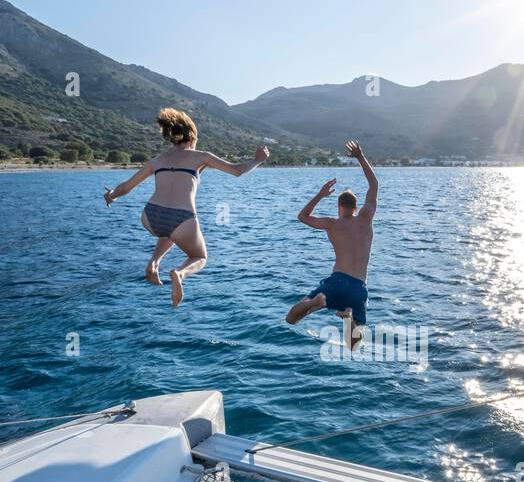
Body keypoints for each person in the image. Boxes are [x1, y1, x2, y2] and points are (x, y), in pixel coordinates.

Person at [104, 109, 269, 306]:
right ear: (192, 136)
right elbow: (237, 170)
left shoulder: (157, 160)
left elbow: (127, 186)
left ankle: (153, 263)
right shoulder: (201, 156)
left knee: (168, 232)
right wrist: (258, 159)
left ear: (171, 138)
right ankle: (179, 274)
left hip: (150, 216)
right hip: (181, 218)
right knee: (199, 256)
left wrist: (112, 195)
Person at [286, 140, 377, 344]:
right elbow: (374, 185)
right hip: (359, 287)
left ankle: (316, 302)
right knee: (353, 345)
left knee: (292, 318)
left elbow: (303, 216)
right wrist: (360, 157)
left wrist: (320, 194)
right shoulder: (366, 218)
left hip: (337, 281)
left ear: (339, 206)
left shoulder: (331, 224)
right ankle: (349, 319)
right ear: (356, 207)